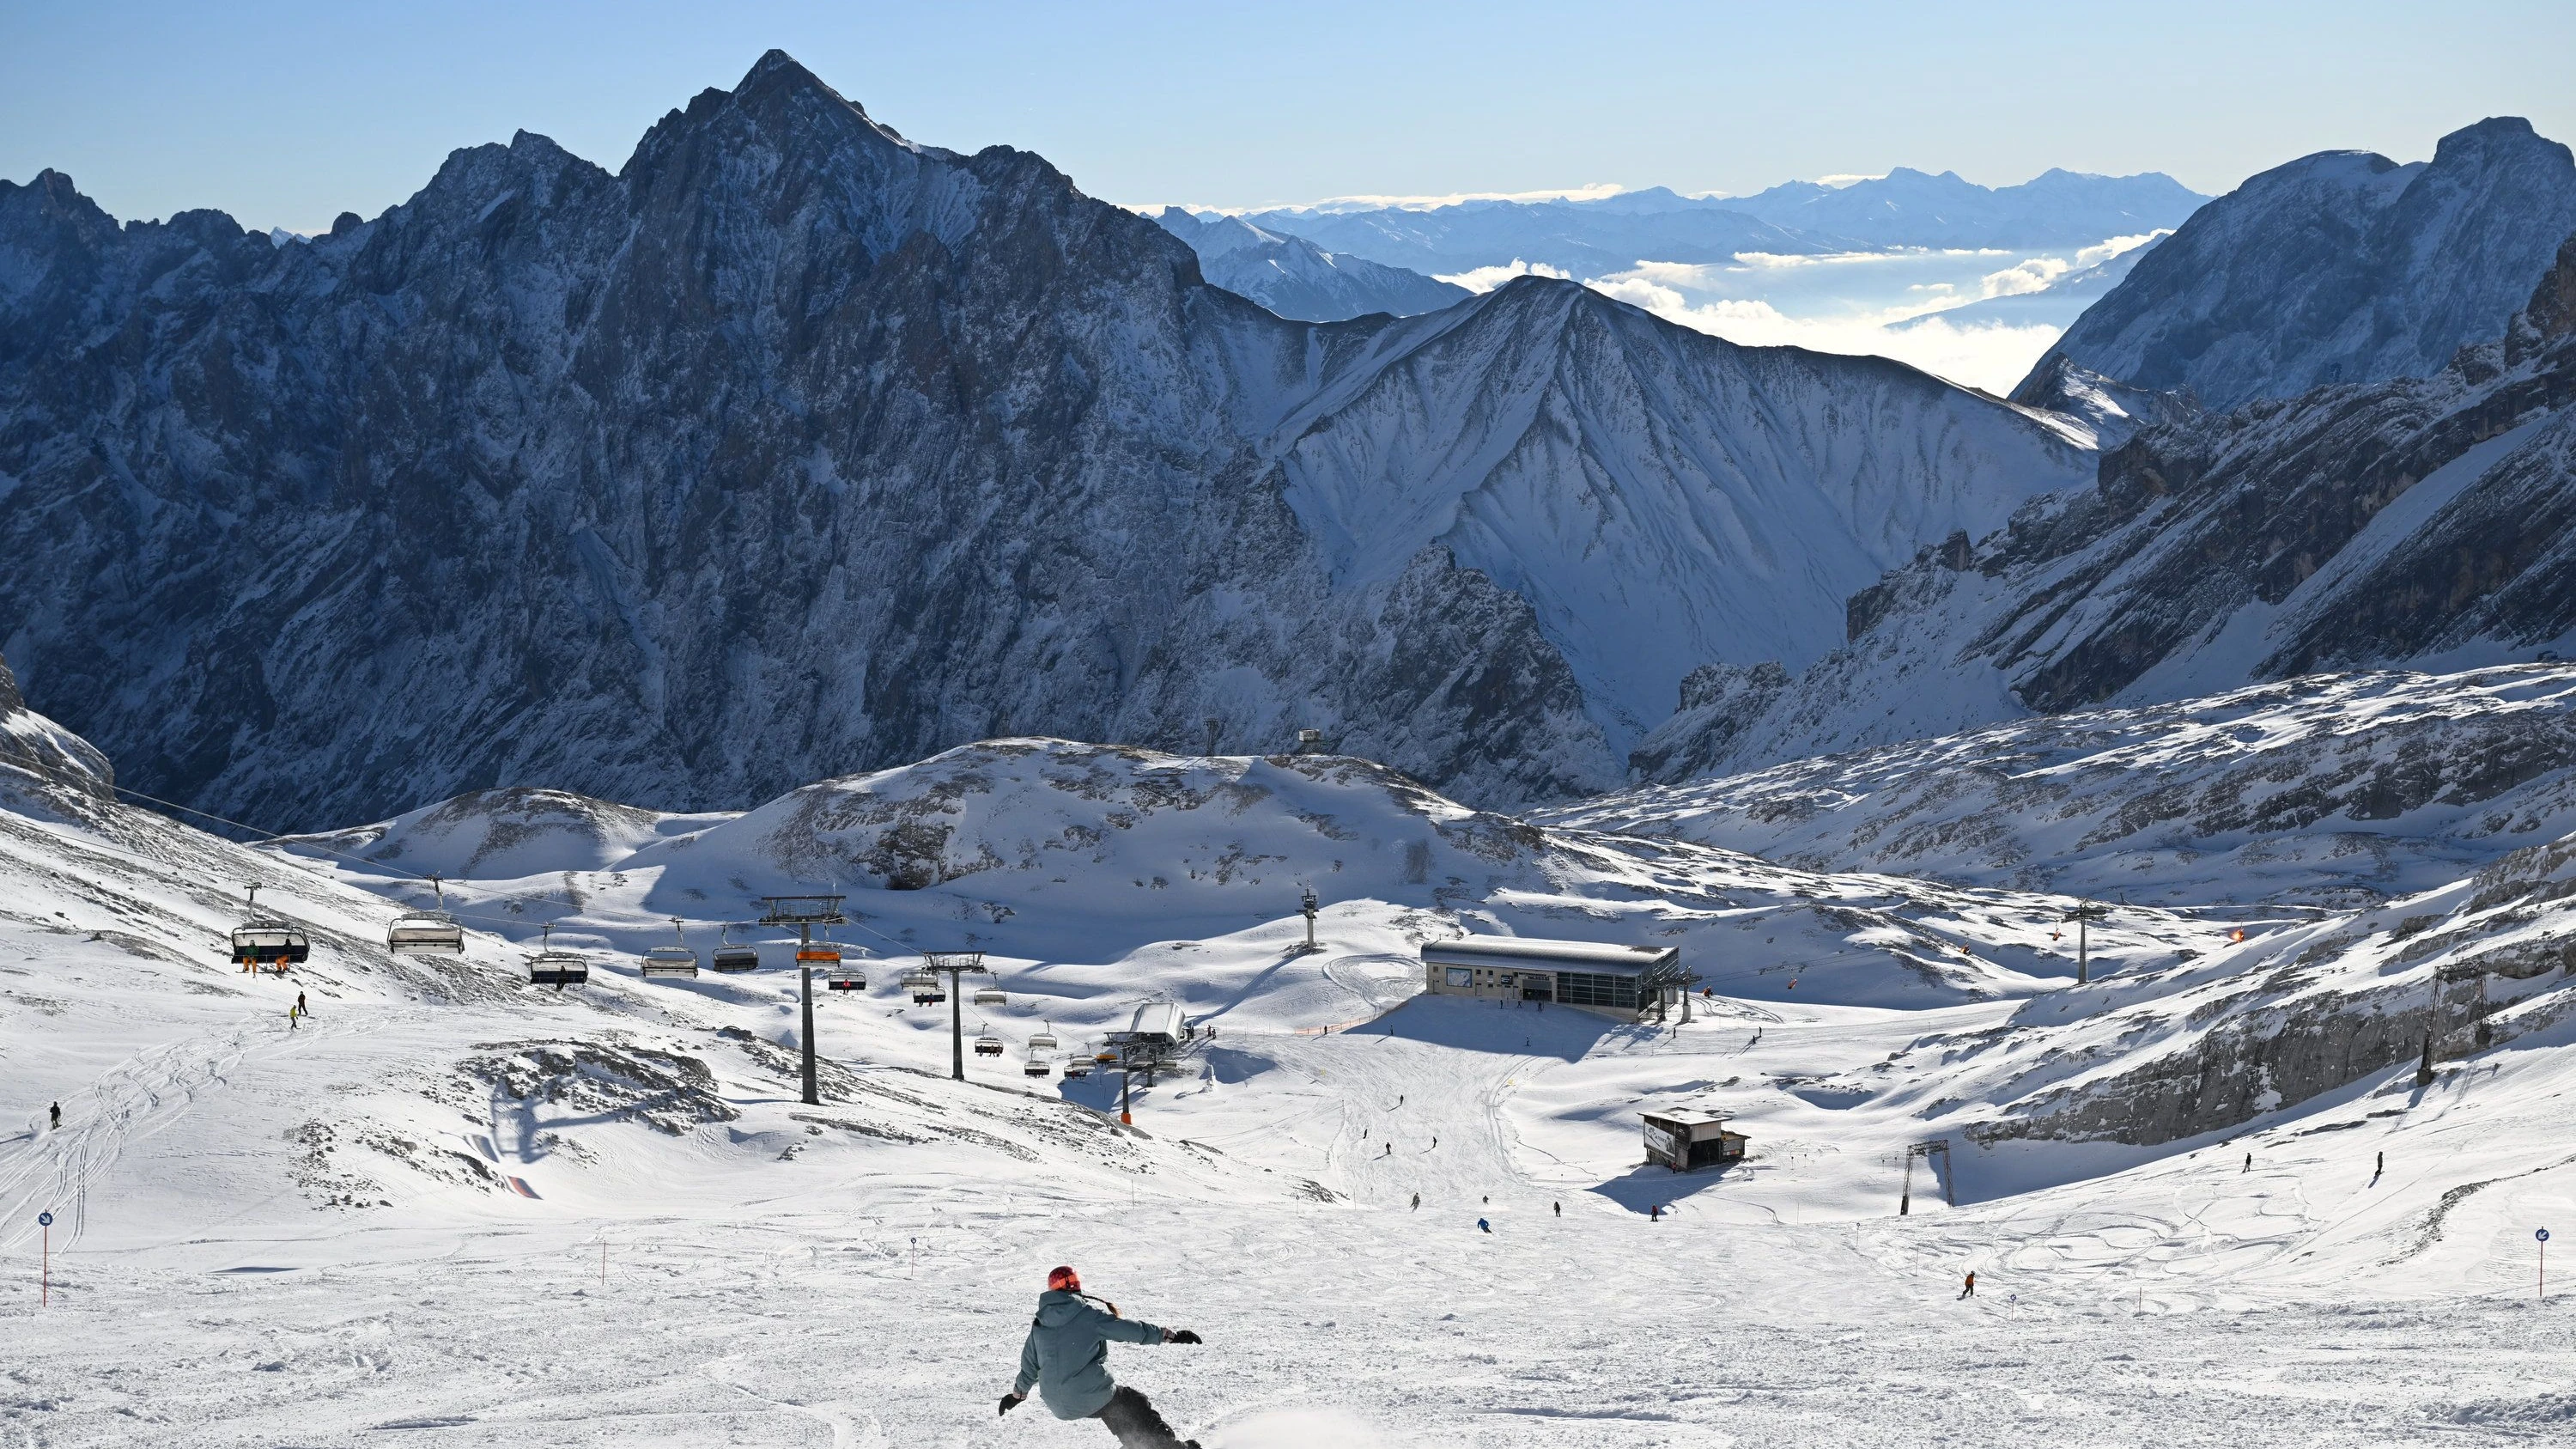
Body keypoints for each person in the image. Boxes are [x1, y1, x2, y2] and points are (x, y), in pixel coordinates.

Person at [1000, 1265, 1203, 1448]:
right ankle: (1170, 1447)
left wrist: (1017, 1396)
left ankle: (1137, 1443)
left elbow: (1029, 1368)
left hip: (1058, 1405)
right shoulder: (1087, 1315)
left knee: (1113, 1406)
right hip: (1087, 1395)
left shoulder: (1039, 1324)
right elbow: (1128, 1330)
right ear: (1075, 1285)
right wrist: (1170, 1336)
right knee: (1134, 1401)